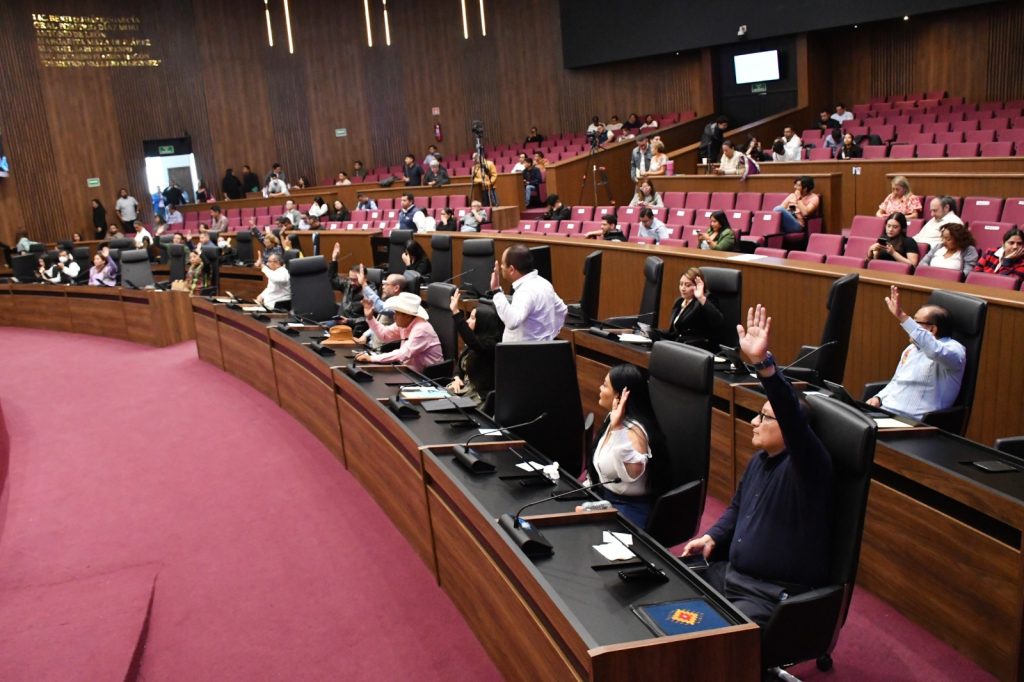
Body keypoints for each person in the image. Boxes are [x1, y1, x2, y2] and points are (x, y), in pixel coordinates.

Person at [681, 304, 832, 626]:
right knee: (668, 592)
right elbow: (738, 509)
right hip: (730, 575)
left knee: (711, 639)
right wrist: (713, 537)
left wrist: (765, 367)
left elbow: (790, 416)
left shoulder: (809, 468)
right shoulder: (760, 461)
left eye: (764, 417)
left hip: (768, 594)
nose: (753, 422)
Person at [866, 286, 966, 420]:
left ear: (932, 329)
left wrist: (902, 317)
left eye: (915, 322)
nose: (910, 327)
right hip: (885, 412)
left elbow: (934, 351)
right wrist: (879, 397)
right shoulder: (910, 349)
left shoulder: (955, 351)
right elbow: (897, 382)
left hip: (913, 421)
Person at [583, 364, 665, 527]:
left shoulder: (635, 431)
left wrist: (618, 429)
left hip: (629, 511)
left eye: (605, 385)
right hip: (605, 500)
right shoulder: (614, 420)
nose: (600, 388)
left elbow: (632, 473)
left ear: (620, 397)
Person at [490, 244, 567, 342]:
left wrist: (496, 290)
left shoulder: (525, 291)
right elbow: (562, 310)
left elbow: (512, 321)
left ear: (512, 269)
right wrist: (548, 337)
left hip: (523, 354)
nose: (501, 267)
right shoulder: (544, 283)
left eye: (503, 264)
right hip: (543, 350)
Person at [355, 292, 443, 373]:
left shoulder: (422, 329)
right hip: (408, 370)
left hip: (427, 377)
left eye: (397, 313)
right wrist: (370, 317)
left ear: (408, 316)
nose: (394, 317)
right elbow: (384, 335)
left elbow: (403, 354)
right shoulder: (405, 323)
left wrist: (372, 358)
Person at [447, 290, 503, 405]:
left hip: (478, 397)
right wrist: (457, 378)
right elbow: (461, 364)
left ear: (483, 322)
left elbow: (474, 343)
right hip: (464, 389)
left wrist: (456, 312)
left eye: (472, 318)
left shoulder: (490, 345)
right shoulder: (474, 341)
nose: (467, 321)